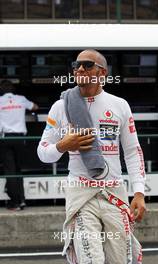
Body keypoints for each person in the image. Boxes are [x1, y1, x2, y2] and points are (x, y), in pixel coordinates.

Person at [37, 49, 146, 264]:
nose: (79, 69)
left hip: (114, 191)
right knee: (90, 260)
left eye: (87, 65)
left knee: (120, 260)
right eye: (76, 65)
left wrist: (139, 192)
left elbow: (133, 152)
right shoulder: (60, 107)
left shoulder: (119, 105)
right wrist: (63, 145)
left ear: (102, 72)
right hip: (80, 193)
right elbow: (43, 153)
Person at [0, 80, 38, 210]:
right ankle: (21, 200)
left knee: (10, 170)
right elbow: (35, 107)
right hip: (20, 138)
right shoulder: (21, 99)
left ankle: (15, 202)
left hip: (6, 138)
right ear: (12, 89)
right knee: (18, 169)